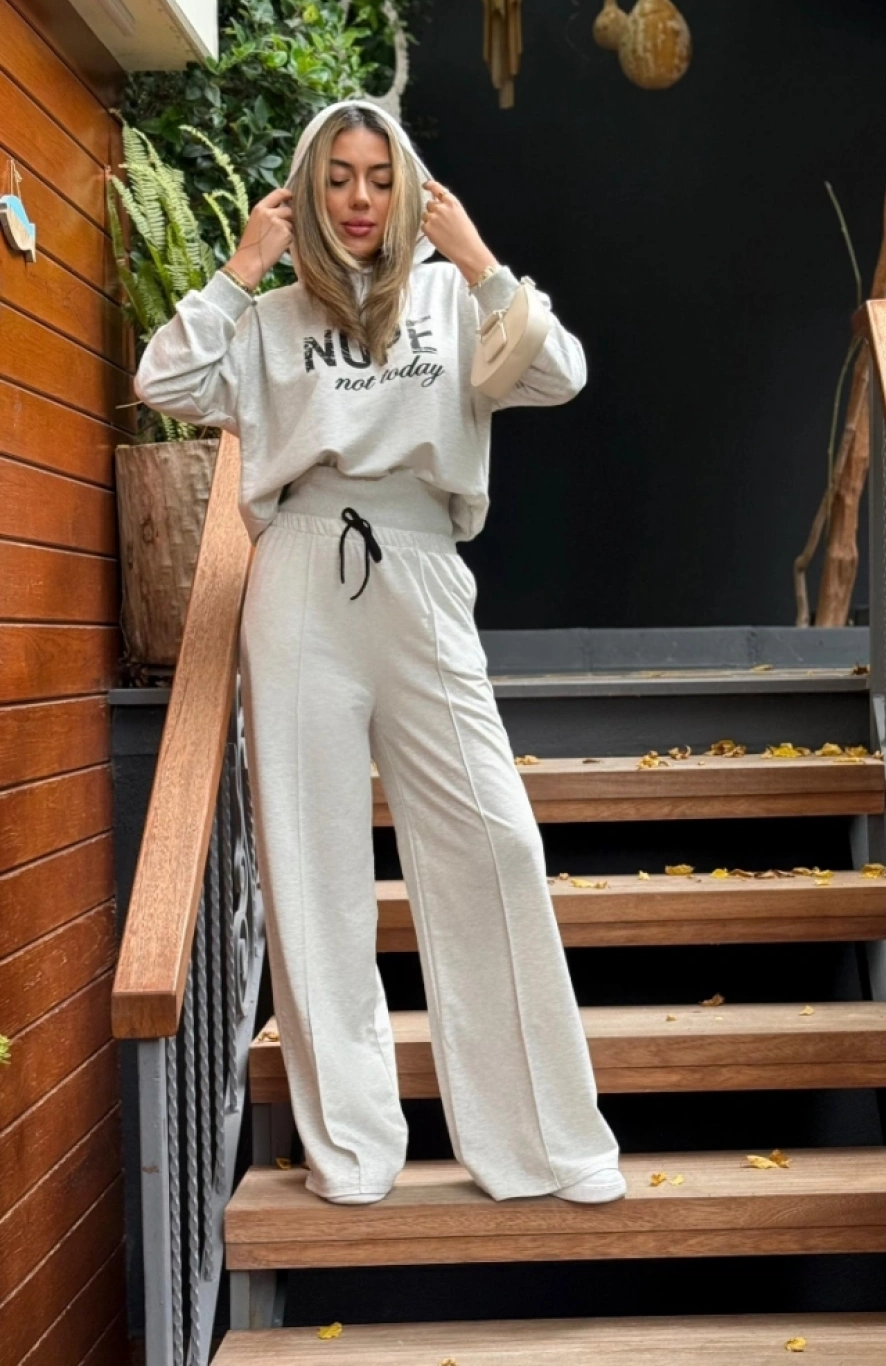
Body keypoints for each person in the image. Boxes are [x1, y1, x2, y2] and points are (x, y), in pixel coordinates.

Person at [133, 98, 625, 1206]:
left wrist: (480, 259)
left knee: (495, 843)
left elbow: (559, 373)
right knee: (313, 868)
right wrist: (241, 268)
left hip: (419, 564)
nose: (360, 199)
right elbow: (164, 381)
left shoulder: (450, 300)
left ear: (409, 190)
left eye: (380, 177)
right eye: (338, 177)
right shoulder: (267, 320)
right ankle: (352, 1149)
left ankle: (544, 1143)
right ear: (308, 191)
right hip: (302, 570)